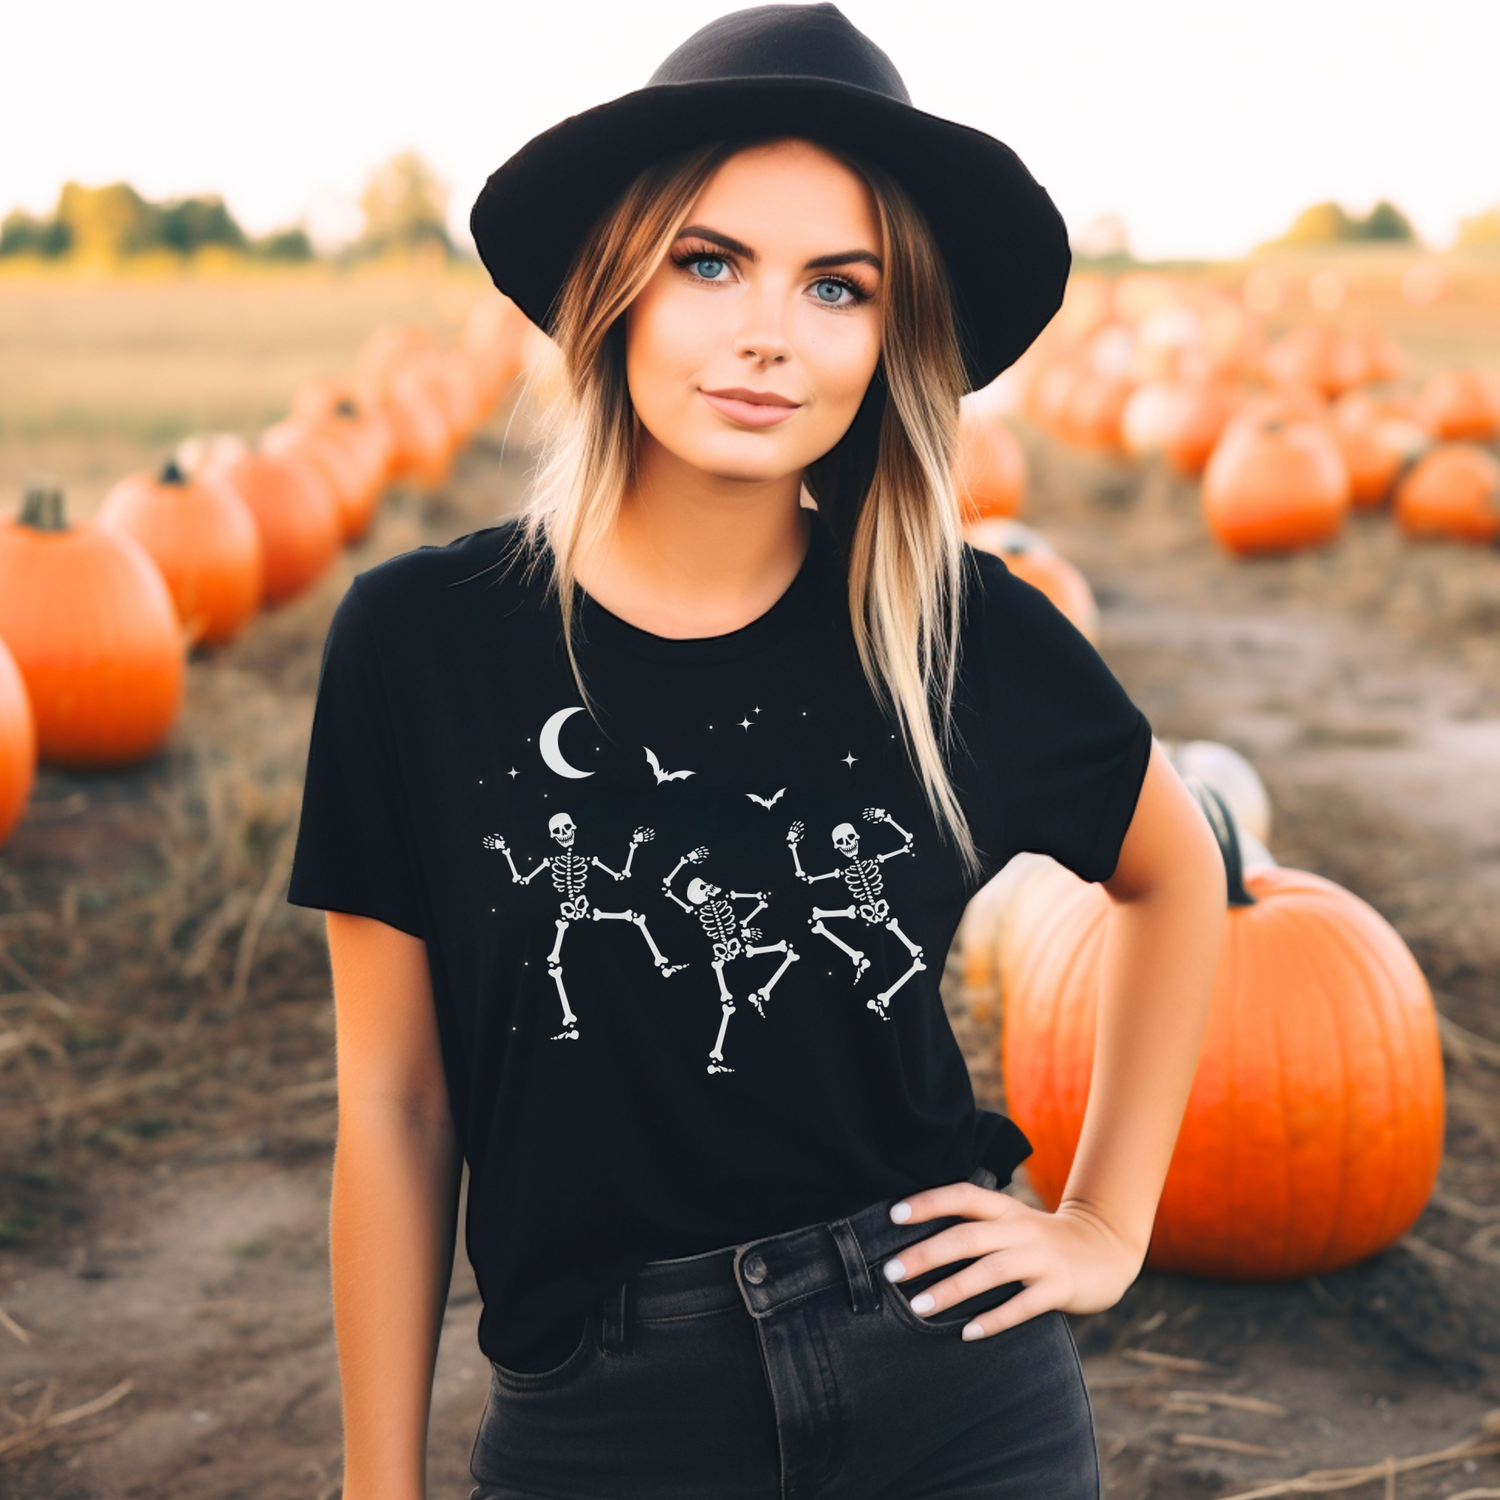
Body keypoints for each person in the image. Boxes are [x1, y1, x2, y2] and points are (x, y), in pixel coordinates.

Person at [286, 6, 1226, 1497]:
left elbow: (1180, 876)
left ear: (891, 334)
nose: (767, 332)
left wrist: (1108, 1222)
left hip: (956, 1383)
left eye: (837, 286)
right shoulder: (421, 645)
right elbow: (399, 1109)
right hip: (604, 1413)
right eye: (709, 262)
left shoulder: (957, 628)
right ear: (617, 289)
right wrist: (376, 1483)